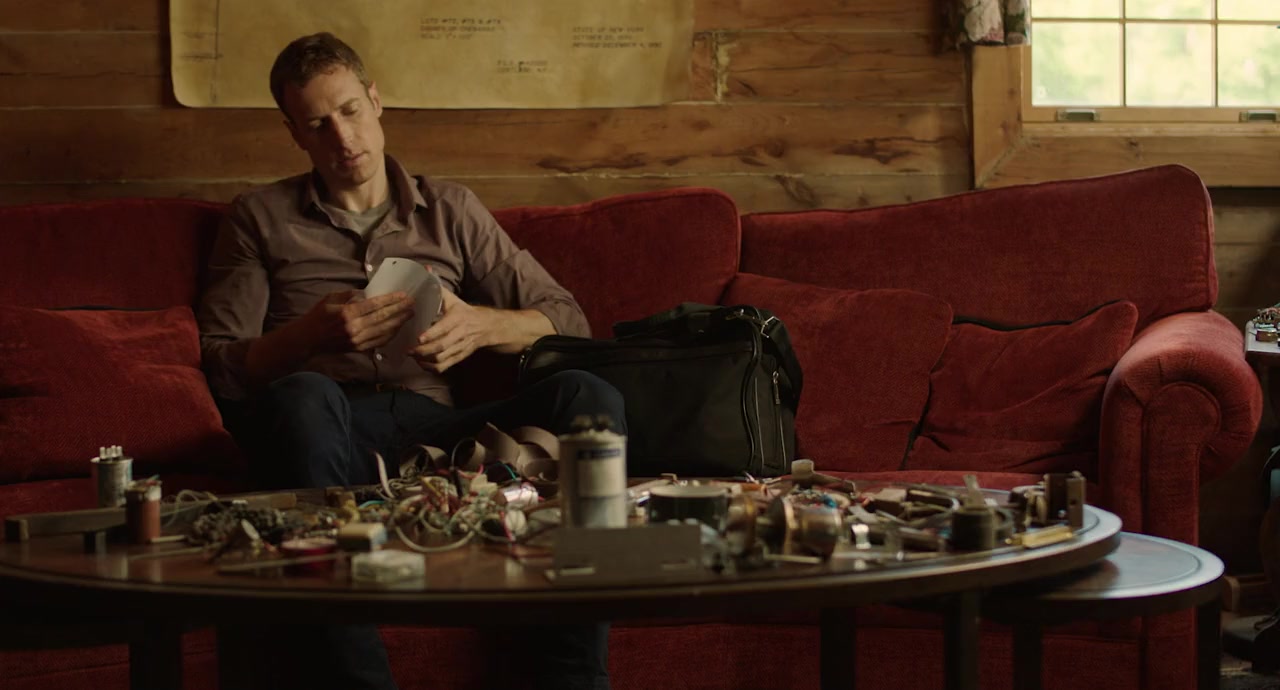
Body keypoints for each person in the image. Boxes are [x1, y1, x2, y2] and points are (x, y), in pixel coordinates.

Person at [197, 31, 620, 690]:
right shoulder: (258, 218)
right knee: (304, 395)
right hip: (327, 434)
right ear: (294, 133)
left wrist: (481, 326)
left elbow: (567, 320)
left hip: (437, 431)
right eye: (318, 124)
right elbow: (223, 366)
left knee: (588, 394)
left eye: (350, 110)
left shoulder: (449, 208)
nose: (342, 137)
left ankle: (572, 679)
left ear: (375, 100)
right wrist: (308, 336)